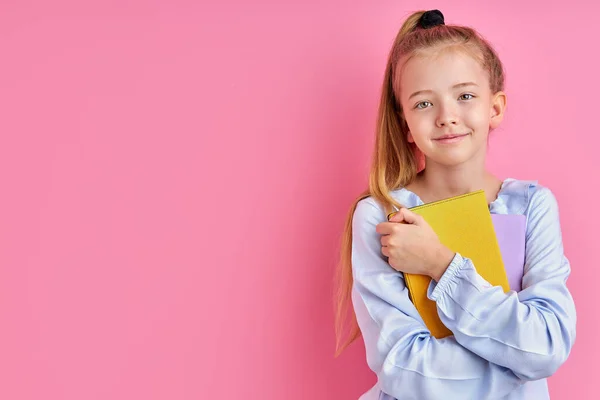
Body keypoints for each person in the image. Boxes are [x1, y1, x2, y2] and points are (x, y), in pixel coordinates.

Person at [333, 9, 576, 400]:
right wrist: (519, 367)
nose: (447, 117)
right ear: (405, 124)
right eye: (424, 104)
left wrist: (440, 264)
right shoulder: (381, 216)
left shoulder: (531, 206)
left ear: (494, 108)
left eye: (465, 96)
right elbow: (405, 369)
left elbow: (547, 344)